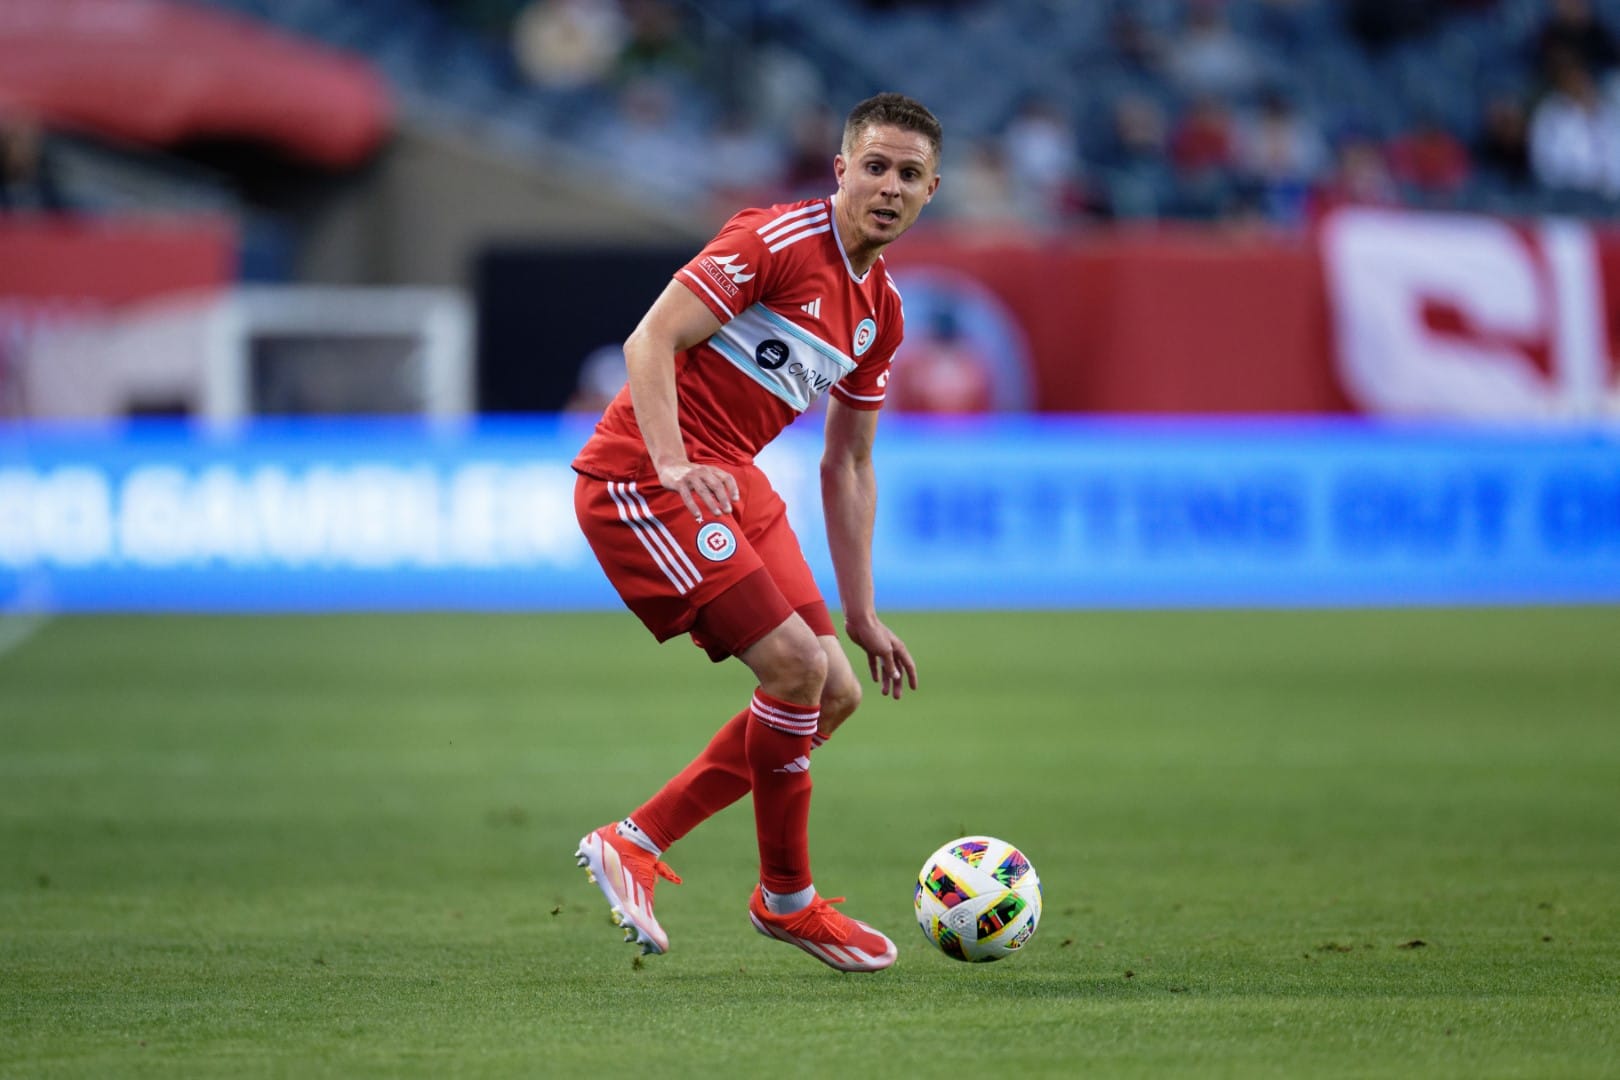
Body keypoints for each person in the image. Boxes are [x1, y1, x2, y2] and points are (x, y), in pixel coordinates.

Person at [570, 92, 938, 972]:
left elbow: (847, 465)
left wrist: (864, 610)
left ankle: (641, 839)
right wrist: (666, 464)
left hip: (733, 477)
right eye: (875, 167)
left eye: (910, 175)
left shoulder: (879, 313)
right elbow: (649, 341)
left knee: (835, 689)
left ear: (931, 192)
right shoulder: (774, 242)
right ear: (842, 170)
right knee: (794, 669)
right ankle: (788, 901)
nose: (889, 187)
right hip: (642, 475)